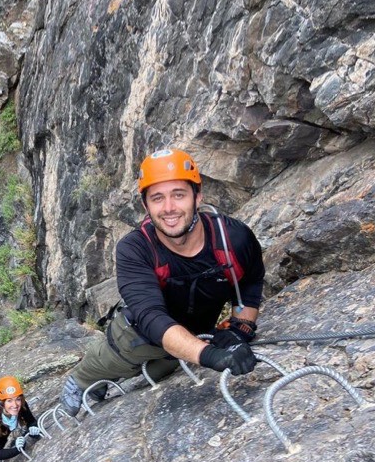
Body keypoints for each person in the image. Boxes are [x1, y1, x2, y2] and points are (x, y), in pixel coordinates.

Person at [60, 148, 266, 416]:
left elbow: (250, 282)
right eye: (157, 198)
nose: (169, 208)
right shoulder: (136, 249)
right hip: (136, 334)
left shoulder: (233, 239)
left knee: (158, 373)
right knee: (113, 363)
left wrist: (241, 327)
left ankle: (113, 380)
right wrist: (210, 355)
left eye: (178, 194)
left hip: (190, 337)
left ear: (197, 196)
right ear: (146, 206)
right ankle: (82, 382)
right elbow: (151, 316)